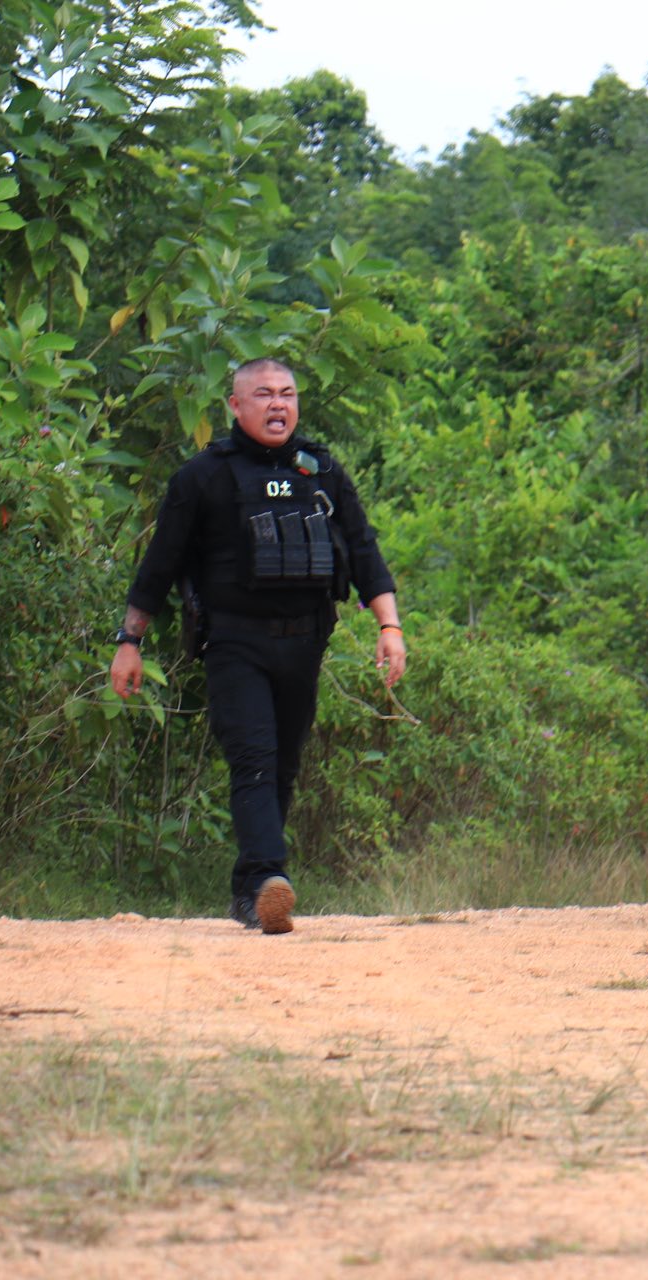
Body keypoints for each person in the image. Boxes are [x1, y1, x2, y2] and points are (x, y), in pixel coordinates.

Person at [108, 357, 404, 935]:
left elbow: (364, 551)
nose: (278, 405)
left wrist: (389, 626)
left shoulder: (321, 470)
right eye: (264, 394)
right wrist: (129, 641)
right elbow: (158, 566)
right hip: (234, 643)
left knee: (284, 766)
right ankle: (271, 877)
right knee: (253, 759)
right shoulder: (202, 477)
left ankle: (251, 895)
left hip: (305, 642)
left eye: (288, 394)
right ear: (235, 406)